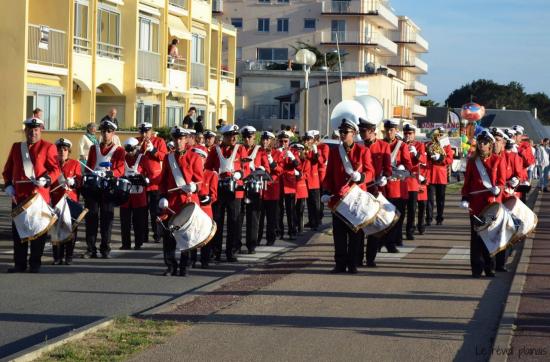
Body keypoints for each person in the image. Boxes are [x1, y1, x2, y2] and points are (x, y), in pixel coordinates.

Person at [3, 117, 60, 273]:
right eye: (29, 129)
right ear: (25, 130)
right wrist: (8, 185)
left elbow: (56, 170)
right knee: (18, 231)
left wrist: (46, 179)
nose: (32, 133)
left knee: (38, 231)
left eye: (36, 129)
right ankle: (19, 264)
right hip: (19, 195)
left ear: (41, 130)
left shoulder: (48, 147)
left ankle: (35, 263)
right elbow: (7, 170)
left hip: (38, 196)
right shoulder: (16, 147)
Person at [322, 118, 374, 274]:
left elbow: (371, 173)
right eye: (341, 132)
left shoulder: (363, 151)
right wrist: (326, 192)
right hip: (339, 198)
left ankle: (352, 264)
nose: (343, 134)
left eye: (346, 132)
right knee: (339, 234)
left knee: (355, 233)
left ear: (354, 133)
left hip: (356, 199)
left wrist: (362, 177)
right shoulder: (334, 152)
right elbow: (329, 175)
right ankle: (339, 264)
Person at [158, 127, 204, 276]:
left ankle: (186, 265)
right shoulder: (168, 157)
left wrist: (194, 186)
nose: (178, 142)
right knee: (168, 234)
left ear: (186, 139)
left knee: (188, 235)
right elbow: (163, 180)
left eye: (181, 139)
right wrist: (162, 195)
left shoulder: (194, 157)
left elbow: (200, 182)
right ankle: (171, 265)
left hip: (188, 200)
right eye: (176, 139)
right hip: (172, 201)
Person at [460, 129, 505, 278]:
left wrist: (498, 189)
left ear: (490, 144)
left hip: (491, 204)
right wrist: (465, 198)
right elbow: (467, 182)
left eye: (485, 142)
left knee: (490, 235)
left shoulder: (497, 160)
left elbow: (501, 181)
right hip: (475, 204)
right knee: (476, 236)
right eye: (480, 141)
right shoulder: (472, 161)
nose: (481, 144)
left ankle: (489, 267)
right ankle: (476, 268)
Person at [205, 124, 247, 262]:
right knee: (217, 220)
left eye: (235, 135)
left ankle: (232, 251)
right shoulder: (215, 150)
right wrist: (215, 175)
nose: (233, 138)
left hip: (235, 189)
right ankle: (215, 251)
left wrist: (240, 174)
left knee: (234, 221)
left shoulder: (240, 149)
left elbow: (246, 167)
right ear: (224, 136)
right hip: (219, 188)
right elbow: (208, 168)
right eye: (230, 136)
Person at [84, 119, 125, 259]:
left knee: (107, 219)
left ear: (113, 133)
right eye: (103, 131)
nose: (106, 134)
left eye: (109, 131)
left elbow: (121, 169)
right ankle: (91, 249)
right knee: (91, 219)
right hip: (94, 187)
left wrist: (111, 173)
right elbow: (89, 166)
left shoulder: (119, 150)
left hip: (109, 188)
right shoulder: (93, 148)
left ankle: (105, 248)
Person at [358, 118, 391, 267]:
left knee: (374, 226)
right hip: (361, 189)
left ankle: (370, 258)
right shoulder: (358, 147)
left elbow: (388, 167)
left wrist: (386, 176)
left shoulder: (383, 146)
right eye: (360, 131)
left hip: (377, 189)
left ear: (372, 131)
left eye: (363, 131)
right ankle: (357, 258)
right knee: (359, 225)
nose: (361, 133)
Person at [51, 138, 82, 265]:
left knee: (70, 229)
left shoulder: (75, 164)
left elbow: (80, 181)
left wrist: (74, 182)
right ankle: (57, 257)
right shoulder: (52, 164)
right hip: (56, 200)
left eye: (65, 150)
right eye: (59, 150)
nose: (62, 152)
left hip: (70, 201)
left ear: (69, 151)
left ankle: (69, 256)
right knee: (56, 230)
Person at [239, 126, 270, 254]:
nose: (247, 139)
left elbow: (267, 170)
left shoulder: (260, 151)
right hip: (240, 186)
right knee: (238, 217)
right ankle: (236, 245)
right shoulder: (238, 149)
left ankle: (251, 245)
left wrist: (261, 169)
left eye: (250, 137)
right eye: (245, 137)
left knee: (253, 218)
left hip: (254, 187)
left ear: (254, 138)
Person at [383, 119, 413, 252]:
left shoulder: (401, 146)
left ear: (396, 131)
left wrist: (402, 168)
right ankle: (381, 241)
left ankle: (392, 241)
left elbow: (409, 166)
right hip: (383, 186)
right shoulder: (380, 144)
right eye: (387, 130)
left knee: (396, 217)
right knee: (382, 217)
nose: (389, 132)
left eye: (392, 130)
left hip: (397, 186)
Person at [136, 122, 168, 243]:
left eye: (146, 131)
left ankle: (157, 234)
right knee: (142, 211)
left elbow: (164, 157)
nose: (144, 134)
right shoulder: (137, 141)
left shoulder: (159, 141)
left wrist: (153, 150)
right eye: (142, 132)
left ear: (151, 131)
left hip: (155, 181)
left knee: (156, 211)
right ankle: (143, 235)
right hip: (141, 180)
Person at [119, 138, 149, 250]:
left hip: (139, 195)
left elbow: (150, 174)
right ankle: (125, 243)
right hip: (125, 195)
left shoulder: (143, 158)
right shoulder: (123, 159)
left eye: (131, 149)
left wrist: (144, 179)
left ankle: (138, 243)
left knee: (138, 221)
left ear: (136, 148)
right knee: (125, 221)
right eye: (127, 149)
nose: (129, 152)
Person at [190, 147, 218, 268]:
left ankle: (205, 260)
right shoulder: (189, 175)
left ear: (204, 159)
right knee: (192, 235)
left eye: (198, 158)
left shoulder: (211, 174)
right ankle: (192, 260)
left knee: (205, 237)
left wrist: (209, 199)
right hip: (193, 209)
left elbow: (214, 195)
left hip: (206, 210)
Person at [257, 131, 283, 246]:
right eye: (263, 139)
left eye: (267, 139)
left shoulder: (277, 153)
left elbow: (281, 170)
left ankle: (270, 238)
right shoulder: (257, 152)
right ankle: (257, 238)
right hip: (260, 189)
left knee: (271, 217)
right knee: (259, 217)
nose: (265, 141)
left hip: (272, 189)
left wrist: (272, 163)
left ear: (272, 141)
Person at [403, 124, 427, 240]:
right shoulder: (400, 144)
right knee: (401, 209)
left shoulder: (419, 145)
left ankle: (410, 230)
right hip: (401, 180)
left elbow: (423, 160)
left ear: (414, 134)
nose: (407, 135)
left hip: (413, 181)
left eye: (410, 133)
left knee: (412, 208)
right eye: (406, 133)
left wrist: (416, 153)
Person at [426, 127, 454, 226]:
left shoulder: (447, 146)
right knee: (429, 199)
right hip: (430, 174)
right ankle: (428, 218)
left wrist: (441, 158)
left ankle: (439, 218)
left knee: (440, 199)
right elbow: (426, 159)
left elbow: (450, 160)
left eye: (440, 135)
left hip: (441, 175)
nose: (438, 137)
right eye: (437, 135)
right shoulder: (429, 145)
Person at [277, 130, 302, 241]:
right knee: (279, 210)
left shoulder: (293, 151)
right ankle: (279, 231)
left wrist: (292, 157)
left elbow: (298, 166)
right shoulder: (275, 151)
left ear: (289, 142)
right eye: (281, 141)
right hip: (278, 183)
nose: (283, 143)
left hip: (289, 184)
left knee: (290, 209)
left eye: (285, 141)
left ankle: (292, 230)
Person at [302, 131, 323, 231]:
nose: (306, 141)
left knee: (315, 203)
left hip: (314, 180)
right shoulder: (302, 150)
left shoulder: (315, 150)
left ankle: (316, 222)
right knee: (309, 203)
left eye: (308, 139)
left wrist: (315, 152)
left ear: (312, 140)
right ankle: (311, 221)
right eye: (305, 139)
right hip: (305, 180)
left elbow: (320, 162)